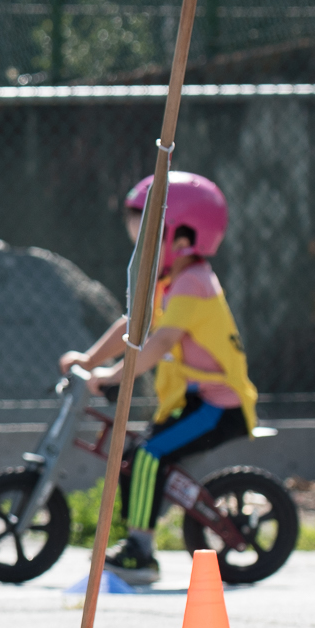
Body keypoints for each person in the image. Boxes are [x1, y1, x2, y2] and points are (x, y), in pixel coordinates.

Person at [59, 170, 258, 587]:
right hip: (192, 403)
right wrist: (91, 358)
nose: (141, 244)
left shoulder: (194, 283)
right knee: (137, 457)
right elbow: (134, 324)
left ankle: (141, 554)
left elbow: (161, 339)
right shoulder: (170, 282)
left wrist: (113, 376)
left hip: (218, 406)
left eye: (151, 233)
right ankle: (136, 542)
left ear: (184, 237)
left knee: (149, 457)